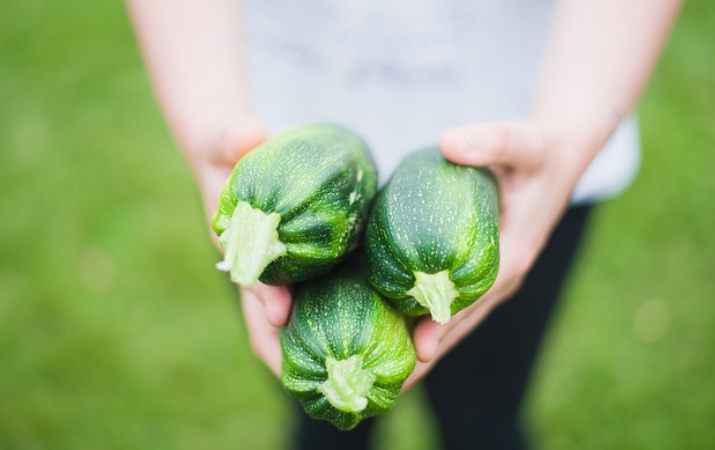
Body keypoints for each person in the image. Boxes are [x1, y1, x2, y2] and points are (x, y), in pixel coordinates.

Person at [126, 1, 681, 448]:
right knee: (324, 425)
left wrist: (571, 136)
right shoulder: (260, 201)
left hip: (530, 149)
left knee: (484, 414)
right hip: (277, 139)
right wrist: (208, 122)